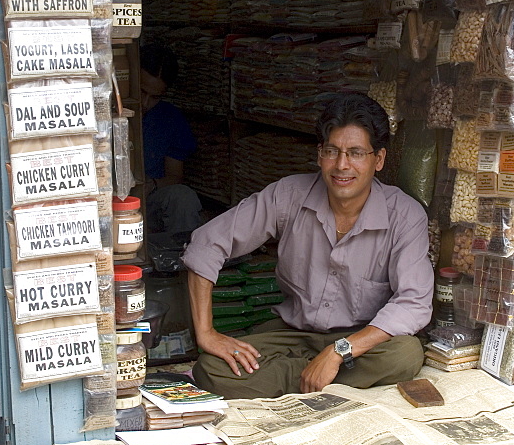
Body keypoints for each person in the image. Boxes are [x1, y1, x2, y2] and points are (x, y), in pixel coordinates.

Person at [183, 92, 434, 399]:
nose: (342, 165)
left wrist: (338, 352)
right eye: (332, 151)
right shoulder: (288, 195)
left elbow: (414, 302)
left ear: (378, 159)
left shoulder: (405, 215)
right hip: (290, 335)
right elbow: (206, 243)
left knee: (405, 353)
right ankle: (313, 377)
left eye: (356, 153)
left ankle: (305, 376)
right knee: (211, 367)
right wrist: (206, 333)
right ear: (319, 155)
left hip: (360, 341)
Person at [141, 43, 203, 245]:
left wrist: (152, 185)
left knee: (183, 197)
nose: (144, 103)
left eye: (155, 97)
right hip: (107, 203)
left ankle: (184, 264)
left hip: (148, 201)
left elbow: (175, 176)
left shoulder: (170, 119)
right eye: (141, 92)